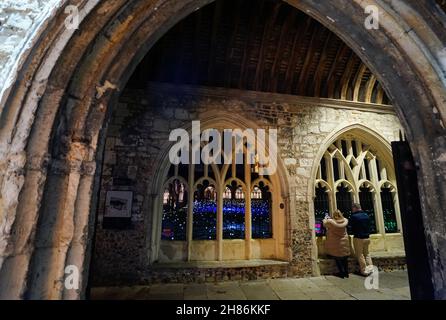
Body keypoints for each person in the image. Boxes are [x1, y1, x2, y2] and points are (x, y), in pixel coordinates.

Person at [323, 210, 350, 278]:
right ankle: (346, 273)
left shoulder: (331, 222)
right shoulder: (345, 221)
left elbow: (324, 224)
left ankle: (341, 273)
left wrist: (326, 219)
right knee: (344, 258)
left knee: (338, 258)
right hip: (344, 241)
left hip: (336, 242)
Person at [349, 203, 373, 276]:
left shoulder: (354, 216)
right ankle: (370, 269)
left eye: (352, 208)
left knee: (360, 255)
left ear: (355, 208)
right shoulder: (366, 215)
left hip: (359, 238)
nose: (352, 210)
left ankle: (364, 271)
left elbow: (351, 227)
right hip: (367, 237)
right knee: (367, 254)